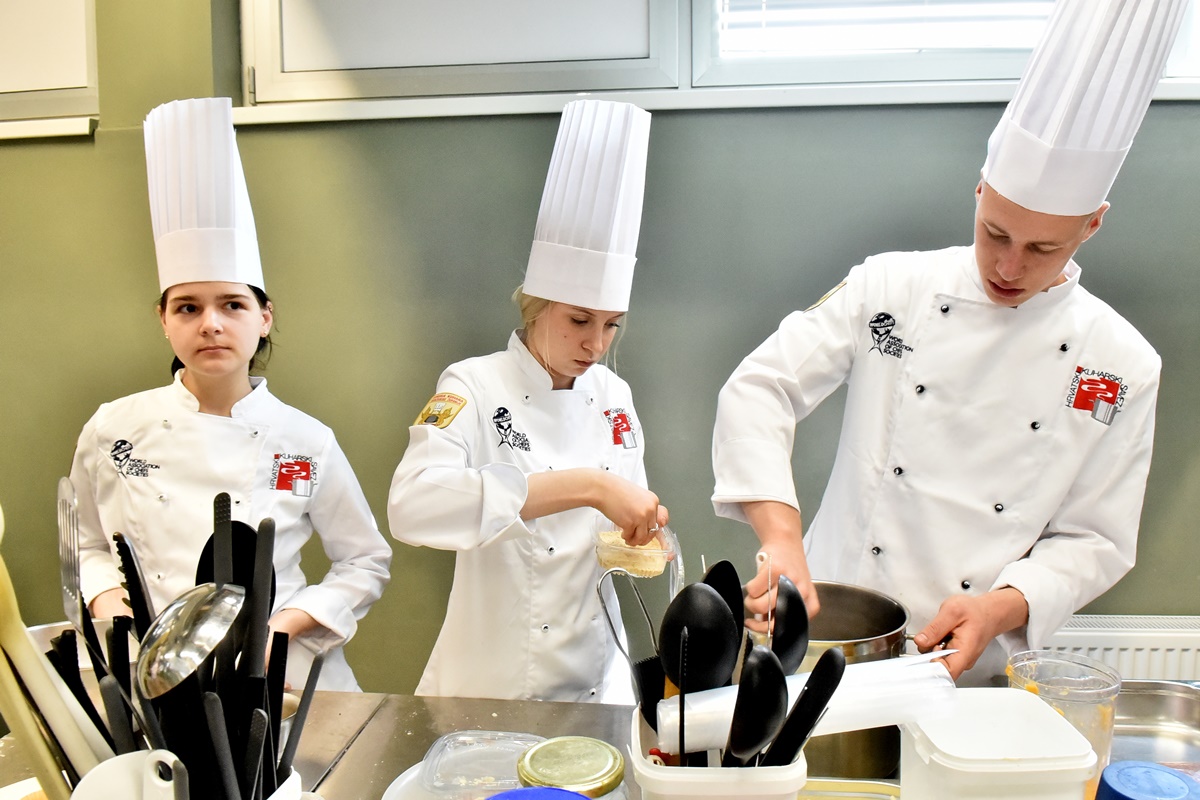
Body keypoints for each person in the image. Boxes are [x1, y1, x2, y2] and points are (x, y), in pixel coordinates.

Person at [711, 0, 1183, 685]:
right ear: (980, 190)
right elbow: (761, 388)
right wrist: (781, 538)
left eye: (1042, 248)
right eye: (996, 232)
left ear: (1093, 225)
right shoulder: (891, 288)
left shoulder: (1120, 363)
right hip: (827, 635)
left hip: (969, 662)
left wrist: (1000, 608)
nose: (1009, 267)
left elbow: (1095, 539)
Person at [72, 97, 392, 691]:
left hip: (276, 674)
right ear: (163, 321)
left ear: (264, 318)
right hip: (151, 670)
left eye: (232, 305)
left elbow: (365, 560)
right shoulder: (113, 427)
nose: (211, 324)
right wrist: (110, 604)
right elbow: (87, 544)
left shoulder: (304, 440)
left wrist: (284, 627)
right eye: (188, 308)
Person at [389, 99, 666, 703]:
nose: (596, 345)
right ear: (536, 305)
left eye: (612, 325)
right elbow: (411, 508)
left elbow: (618, 526)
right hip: (490, 683)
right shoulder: (471, 385)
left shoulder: (613, 396)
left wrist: (638, 531)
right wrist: (589, 485)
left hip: (597, 679)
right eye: (579, 320)